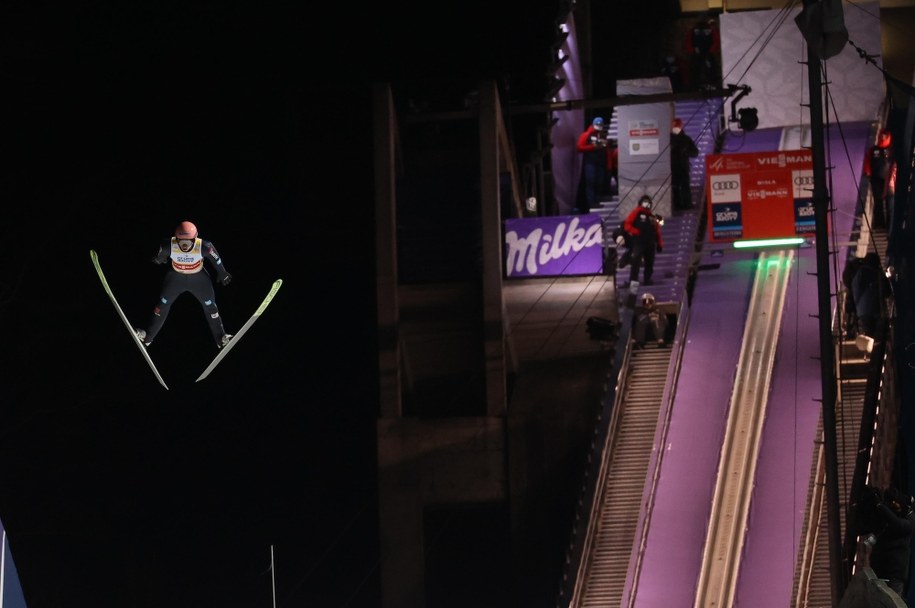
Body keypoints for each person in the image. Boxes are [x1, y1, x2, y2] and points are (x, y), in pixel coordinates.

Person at [134, 221, 234, 349]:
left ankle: (221, 339)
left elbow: (216, 259)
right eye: (181, 241)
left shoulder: (204, 246)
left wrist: (222, 272)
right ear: (175, 238)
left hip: (198, 279)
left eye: (189, 241)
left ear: (195, 238)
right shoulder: (168, 245)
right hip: (176, 279)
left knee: (211, 307)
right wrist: (159, 259)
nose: (185, 245)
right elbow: (160, 255)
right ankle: (147, 338)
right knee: (162, 304)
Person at [860, 486, 915, 597]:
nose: (895, 506)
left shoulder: (909, 519)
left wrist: (880, 506)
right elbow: (870, 532)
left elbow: (898, 524)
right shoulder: (887, 518)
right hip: (878, 569)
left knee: (891, 601)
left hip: (894, 574)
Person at [623, 195, 664, 286]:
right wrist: (636, 231)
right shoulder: (636, 212)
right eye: (645, 202)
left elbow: (658, 230)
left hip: (650, 243)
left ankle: (647, 280)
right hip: (639, 242)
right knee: (635, 261)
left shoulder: (652, 216)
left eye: (648, 202)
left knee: (649, 262)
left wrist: (660, 244)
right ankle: (633, 282)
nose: (647, 204)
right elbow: (627, 225)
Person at [577, 116, 614, 213]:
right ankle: (591, 202)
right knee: (591, 181)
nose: (599, 126)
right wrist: (593, 147)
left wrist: (605, 144)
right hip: (590, 162)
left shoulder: (602, 135)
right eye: (598, 124)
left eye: (601, 124)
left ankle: (597, 199)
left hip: (600, 162)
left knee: (599, 182)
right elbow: (579, 147)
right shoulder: (586, 135)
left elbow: (606, 150)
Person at [863, 128, 897, 229]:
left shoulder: (892, 150)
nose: (883, 137)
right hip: (876, 179)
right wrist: (867, 172)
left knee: (889, 202)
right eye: (882, 135)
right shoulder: (873, 150)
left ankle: (890, 225)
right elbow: (867, 161)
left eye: (885, 135)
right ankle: (879, 224)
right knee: (878, 202)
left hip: (888, 180)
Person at [684, 16, 720, 90]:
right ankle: (697, 87)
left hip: (706, 54)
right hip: (698, 54)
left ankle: (709, 85)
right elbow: (688, 42)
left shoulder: (709, 30)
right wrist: (693, 50)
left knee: (708, 68)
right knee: (697, 70)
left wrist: (710, 50)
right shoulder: (694, 30)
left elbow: (716, 41)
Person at [670, 118, 699, 211]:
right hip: (673, 167)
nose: (675, 128)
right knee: (675, 187)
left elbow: (695, 152)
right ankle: (677, 205)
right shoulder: (669, 139)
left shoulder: (686, 139)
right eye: (674, 126)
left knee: (685, 186)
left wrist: (686, 152)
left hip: (683, 167)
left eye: (677, 126)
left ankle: (687, 204)